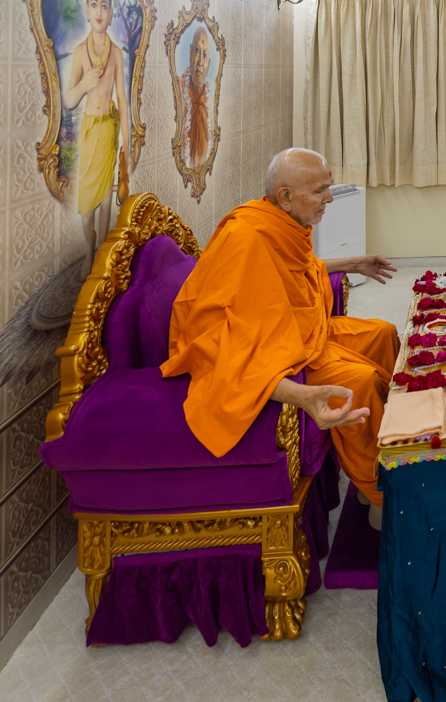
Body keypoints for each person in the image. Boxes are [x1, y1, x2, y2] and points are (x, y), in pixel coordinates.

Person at [161, 148, 400, 529]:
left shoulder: (279, 221)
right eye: (319, 191)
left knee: (382, 334)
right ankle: (381, 494)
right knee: (362, 382)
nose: (329, 198)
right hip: (272, 353)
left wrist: (353, 263)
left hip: (296, 333)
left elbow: (298, 268)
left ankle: (392, 449)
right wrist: (301, 395)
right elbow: (221, 343)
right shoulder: (245, 238)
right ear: (285, 196)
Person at [63, 0, 130, 276]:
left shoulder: (116, 54)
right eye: (94, 3)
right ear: (87, 10)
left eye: (104, 4)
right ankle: (90, 240)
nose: (100, 10)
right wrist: (84, 85)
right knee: (86, 212)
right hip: (90, 130)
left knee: (105, 202)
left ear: (111, 11)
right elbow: (69, 99)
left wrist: (127, 141)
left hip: (108, 130)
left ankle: (98, 254)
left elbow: (122, 99)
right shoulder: (80, 53)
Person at [181, 25, 211, 166]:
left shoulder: (209, 103)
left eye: (204, 55)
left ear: (208, 64)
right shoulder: (180, 90)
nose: (200, 62)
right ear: (190, 53)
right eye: (197, 51)